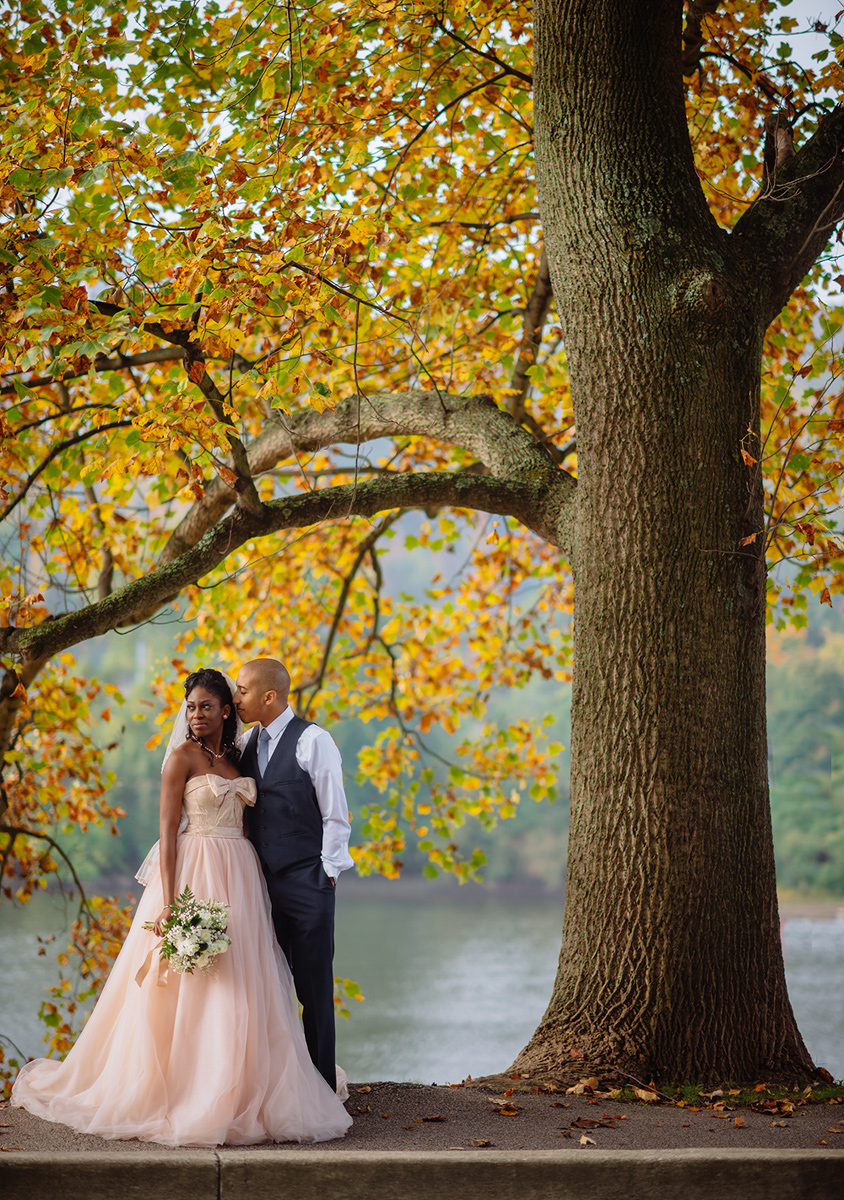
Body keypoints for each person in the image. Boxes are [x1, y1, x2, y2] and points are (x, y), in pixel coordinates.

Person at [11, 669, 352, 1147]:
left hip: (246, 878)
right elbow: (167, 835)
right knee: (193, 983)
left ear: (228, 710)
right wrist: (170, 902)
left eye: (208, 705)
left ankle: (259, 1084)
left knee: (249, 983)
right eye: (191, 706)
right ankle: (190, 1089)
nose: (196, 714)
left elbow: (304, 812)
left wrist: (327, 870)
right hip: (197, 872)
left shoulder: (246, 752)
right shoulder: (182, 758)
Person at [234, 658, 353, 1091]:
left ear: (269, 695)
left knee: (313, 990)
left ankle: (320, 1087)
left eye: (243, 691)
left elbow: (335, 815)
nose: (236, 699)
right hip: (258, 887)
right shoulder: (246, 741)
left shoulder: (314, 741)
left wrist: (327, 873)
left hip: (308, 884)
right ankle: (277, 1086)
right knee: (266, 987)